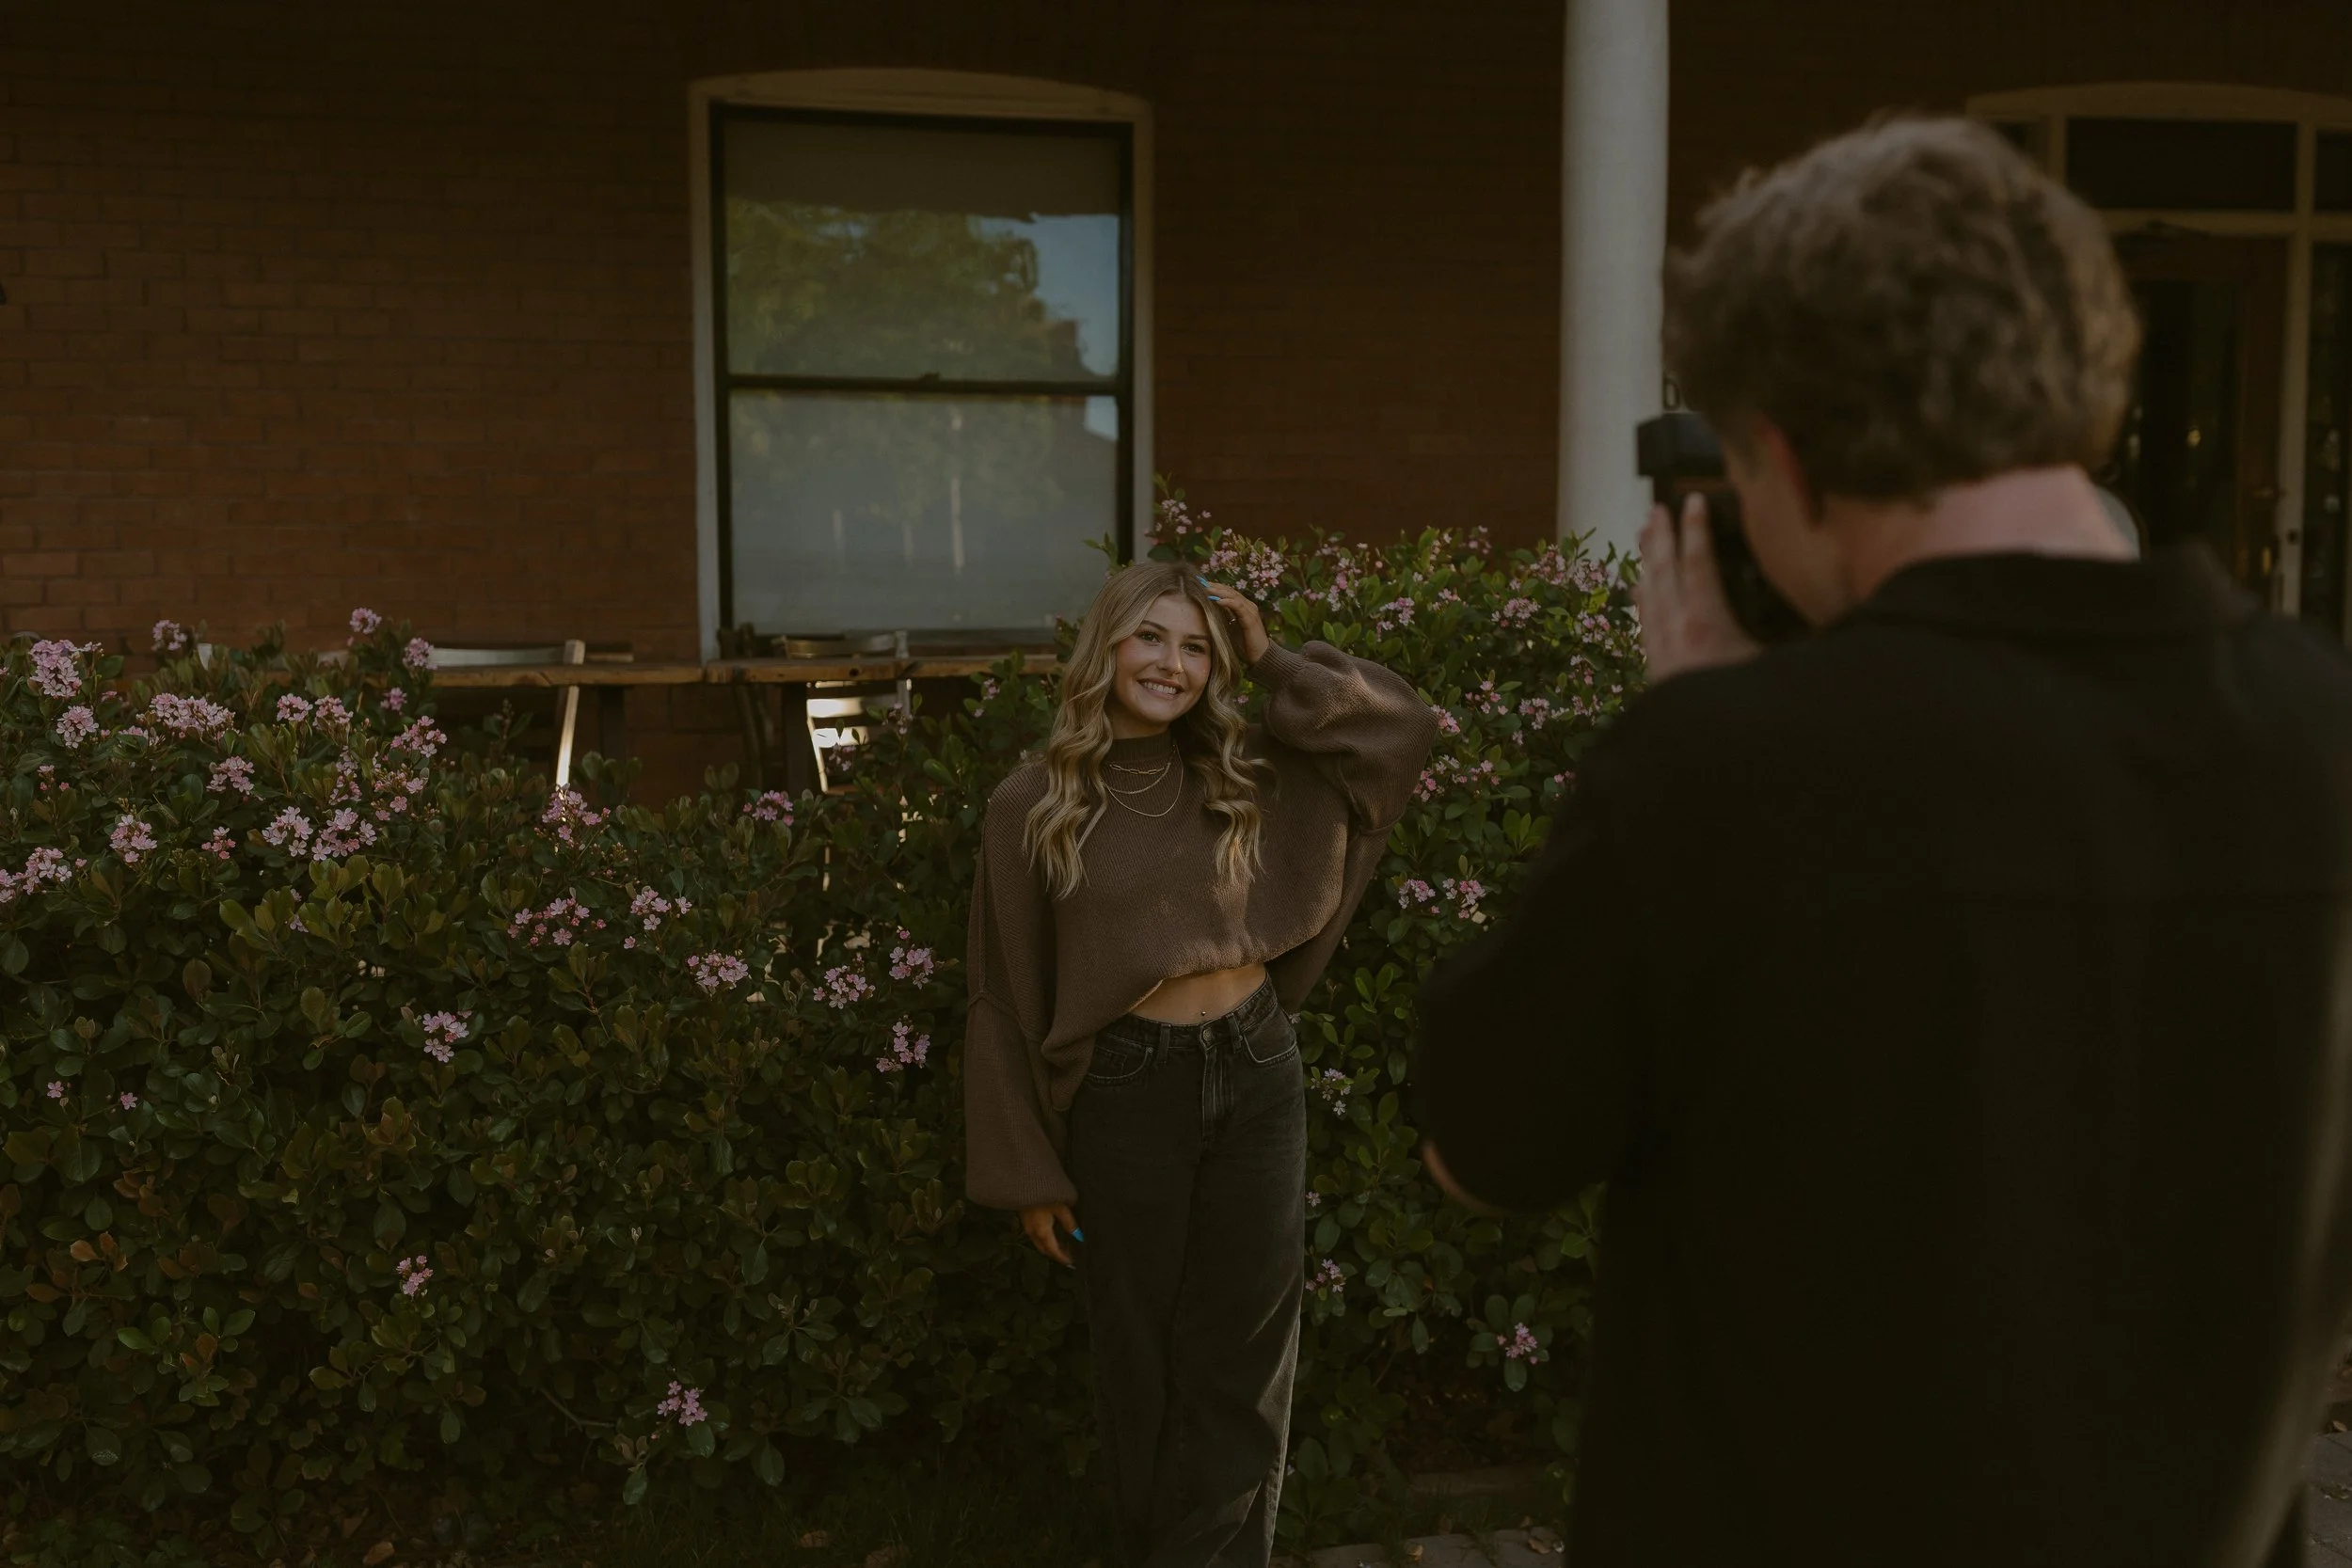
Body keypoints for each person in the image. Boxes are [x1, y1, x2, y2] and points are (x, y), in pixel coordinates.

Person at [1414, 117, 2352, 1568]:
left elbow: (1478, 1147)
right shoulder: (2322, 732)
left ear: (1787, 453)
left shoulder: (1720, 769)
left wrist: (1704, 730)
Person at [963, 561, 1437, 1568]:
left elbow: (1397, 732)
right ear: (1106, 644)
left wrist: (1270, 659)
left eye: (1195, 647)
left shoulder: (1244, 766)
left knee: (1246, 1361)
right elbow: (1002, 992)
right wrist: (1028, 1169)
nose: (1170, 665)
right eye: (1150, 637)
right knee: (1138, 1356)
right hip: (1127, 1086)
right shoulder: (1031, 801)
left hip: (1258, 1067)